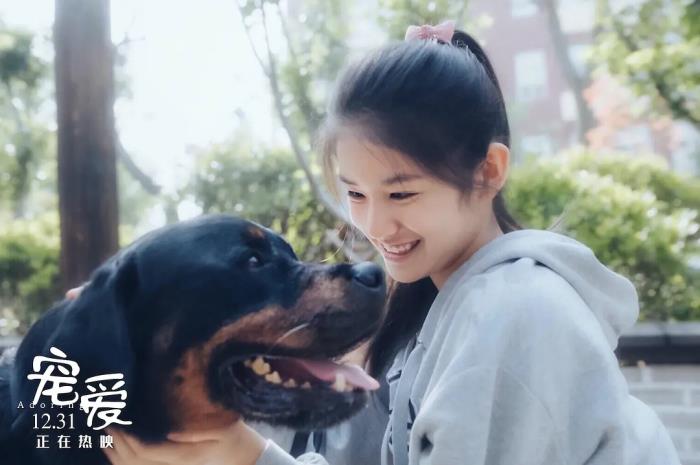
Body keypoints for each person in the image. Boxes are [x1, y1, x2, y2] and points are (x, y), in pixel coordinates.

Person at [99, 20, 681, 465]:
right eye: (355, 193)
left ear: (488, 172)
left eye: (401, 194)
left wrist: (250, 458)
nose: (375, 224)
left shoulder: (516, 313)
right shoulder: (432, 307)